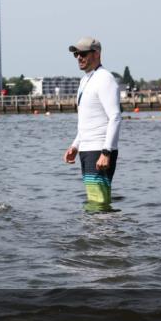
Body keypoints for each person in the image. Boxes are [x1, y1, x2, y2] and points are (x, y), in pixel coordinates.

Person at [63, 37, 121, 211]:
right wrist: (75, 145)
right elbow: (88, 121)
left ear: (96, 54)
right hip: (87, 149)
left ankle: (103, 236)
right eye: (76, 54)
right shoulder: (85, 80)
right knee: (94, 201)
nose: (79, 57)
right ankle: (95, 237)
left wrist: (106, 152)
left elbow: (115, 117)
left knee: (98, 202)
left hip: (100, 150)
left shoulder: (105, 79)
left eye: (83, 53)